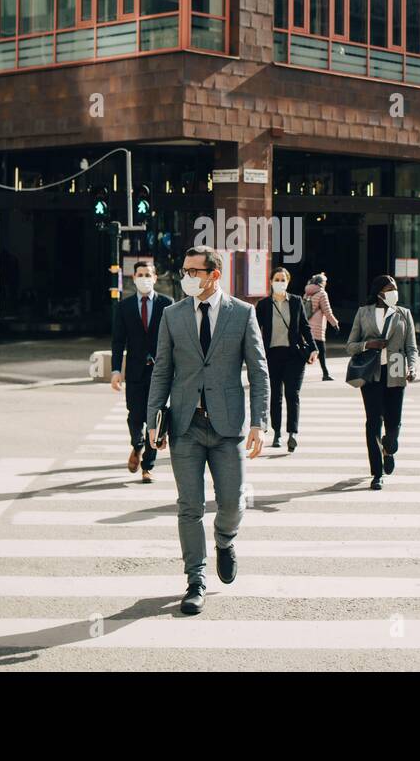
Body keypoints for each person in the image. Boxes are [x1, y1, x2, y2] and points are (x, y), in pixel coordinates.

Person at [148, 245, 269, 616]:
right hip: (186, 423)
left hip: (228, 426)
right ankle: (195, 580)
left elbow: (259, 370)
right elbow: (162, 369)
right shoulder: (172, 315)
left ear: (214, 274)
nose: (187, 276)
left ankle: (225, 539)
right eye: (184, 270)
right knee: (189, 506)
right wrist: (153, 418)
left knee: (232, 502)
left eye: (194, 271)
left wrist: (259, 423)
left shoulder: (242, 313)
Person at [345, 275, 418, 491]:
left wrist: (413, 367)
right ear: (379, 292)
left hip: (396, 369)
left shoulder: (404, 314)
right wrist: (369, 344)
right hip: (371, 373)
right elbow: (350, 345)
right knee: (373, 422)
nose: (394, 292)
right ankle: (376, 473)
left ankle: (389, 448)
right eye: (390, 289)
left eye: (395, 288)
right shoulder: (363, 313)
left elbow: (411, 347)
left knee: (393, 423)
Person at [110, 261, 173, 483]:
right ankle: (137, 445)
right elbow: (118, 342)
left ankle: (148, 465)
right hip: (136, 371)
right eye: (140, 274)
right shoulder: (124, 307)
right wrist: (116, 370)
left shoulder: (168, 304)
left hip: (161, 371)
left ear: (155, 278)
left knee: (156, 417)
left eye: (148, 274)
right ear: (133, 278)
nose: (144, 278)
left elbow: (175, 340)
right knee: (135, 415)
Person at [255, 268, 318, 452]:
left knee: (292, 394)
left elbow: (305, 327)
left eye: (283, 279)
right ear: (271, 281)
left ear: (288, 282)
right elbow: (255, 330)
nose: (280, 282)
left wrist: (313, 348)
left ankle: (292, 433)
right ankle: (277, 433)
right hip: (272, 356)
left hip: (294, 356)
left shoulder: (296, 301)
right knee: (275, 396)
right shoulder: (264, 305)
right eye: (277, 279)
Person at [304, 273, 341, 381]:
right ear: (321, 283)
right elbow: (327, 311)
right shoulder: (322, 293)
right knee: (321, 351)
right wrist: (335, 324)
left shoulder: (307, 293)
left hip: (308, 326)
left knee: (309, 350)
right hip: (318, 328)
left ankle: (325, 373)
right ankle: (325, 374)